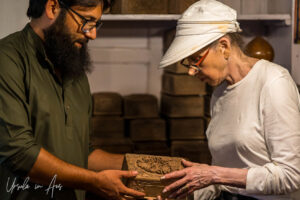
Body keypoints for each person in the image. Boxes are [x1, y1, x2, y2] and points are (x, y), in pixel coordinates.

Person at [0, 0, 145, 199]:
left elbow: (82, 152)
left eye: (96, 24)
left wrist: (145, 167)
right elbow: (19, 153)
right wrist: (94, 182)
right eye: (87, 21)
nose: (93, 34)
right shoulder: (8, 59)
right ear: (52, 7)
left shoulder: (73, 70)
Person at [158, 0, 300, 199]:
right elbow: (224, 178)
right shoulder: (219, 92)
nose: (191, 71)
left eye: (196, 59)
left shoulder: (273, 83)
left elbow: (290, 176)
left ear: (224, 46)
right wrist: (186, 192)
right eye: (187, 62)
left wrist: (213, 174)